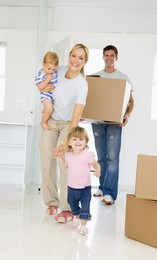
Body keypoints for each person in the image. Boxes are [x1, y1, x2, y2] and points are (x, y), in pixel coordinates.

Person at [39, 44, 89, 223]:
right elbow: (40, 80)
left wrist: (66, 142)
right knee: (46, 160)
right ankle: (52, 202)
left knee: (66, 163)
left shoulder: (82, 84)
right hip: (51, 120)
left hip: (69, 123)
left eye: (81, 58)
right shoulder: (57, 71)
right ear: (69, 56)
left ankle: (67, 208)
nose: (76, 60)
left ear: (85, 62)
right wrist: (43, 88)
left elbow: (76, 116)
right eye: (74, 56)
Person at [92, 45, 134, 205]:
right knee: (101, 157)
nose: (109, 58)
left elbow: (131, 101)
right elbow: (91, 100)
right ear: (103, 57)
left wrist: (127, 115)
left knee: (112, 159)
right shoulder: (95, 77)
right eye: (106, 55)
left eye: (112, 55)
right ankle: (102, 187)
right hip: (97, 122)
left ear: (116, 57)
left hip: (115, 123)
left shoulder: (123, 78)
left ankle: (110, 194)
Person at [55, 126, 101, 234]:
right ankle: (76, 215)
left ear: (86, 142)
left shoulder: (88, 155)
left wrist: (98, 171)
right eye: (74, 139)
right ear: (69, 142)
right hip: (71, 187)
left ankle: (83, 225)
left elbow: (96, 164)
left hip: (85, 188)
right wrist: (59, 158)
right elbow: (65, 166)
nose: (78, 142)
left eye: (81, 139)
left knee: (85, 206)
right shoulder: (68, 155)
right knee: (71, 203)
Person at [35, 51, 59, 130]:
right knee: (50, 109)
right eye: (49, 68)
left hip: (52, 95)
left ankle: (45, 111)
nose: (51, 71)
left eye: (53, 69)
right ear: (43, 64)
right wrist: (47, 80)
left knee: (51, 108)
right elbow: (39, 87)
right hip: (45, 95)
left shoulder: (54, 72)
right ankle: (43, 122)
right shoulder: (41, 75)